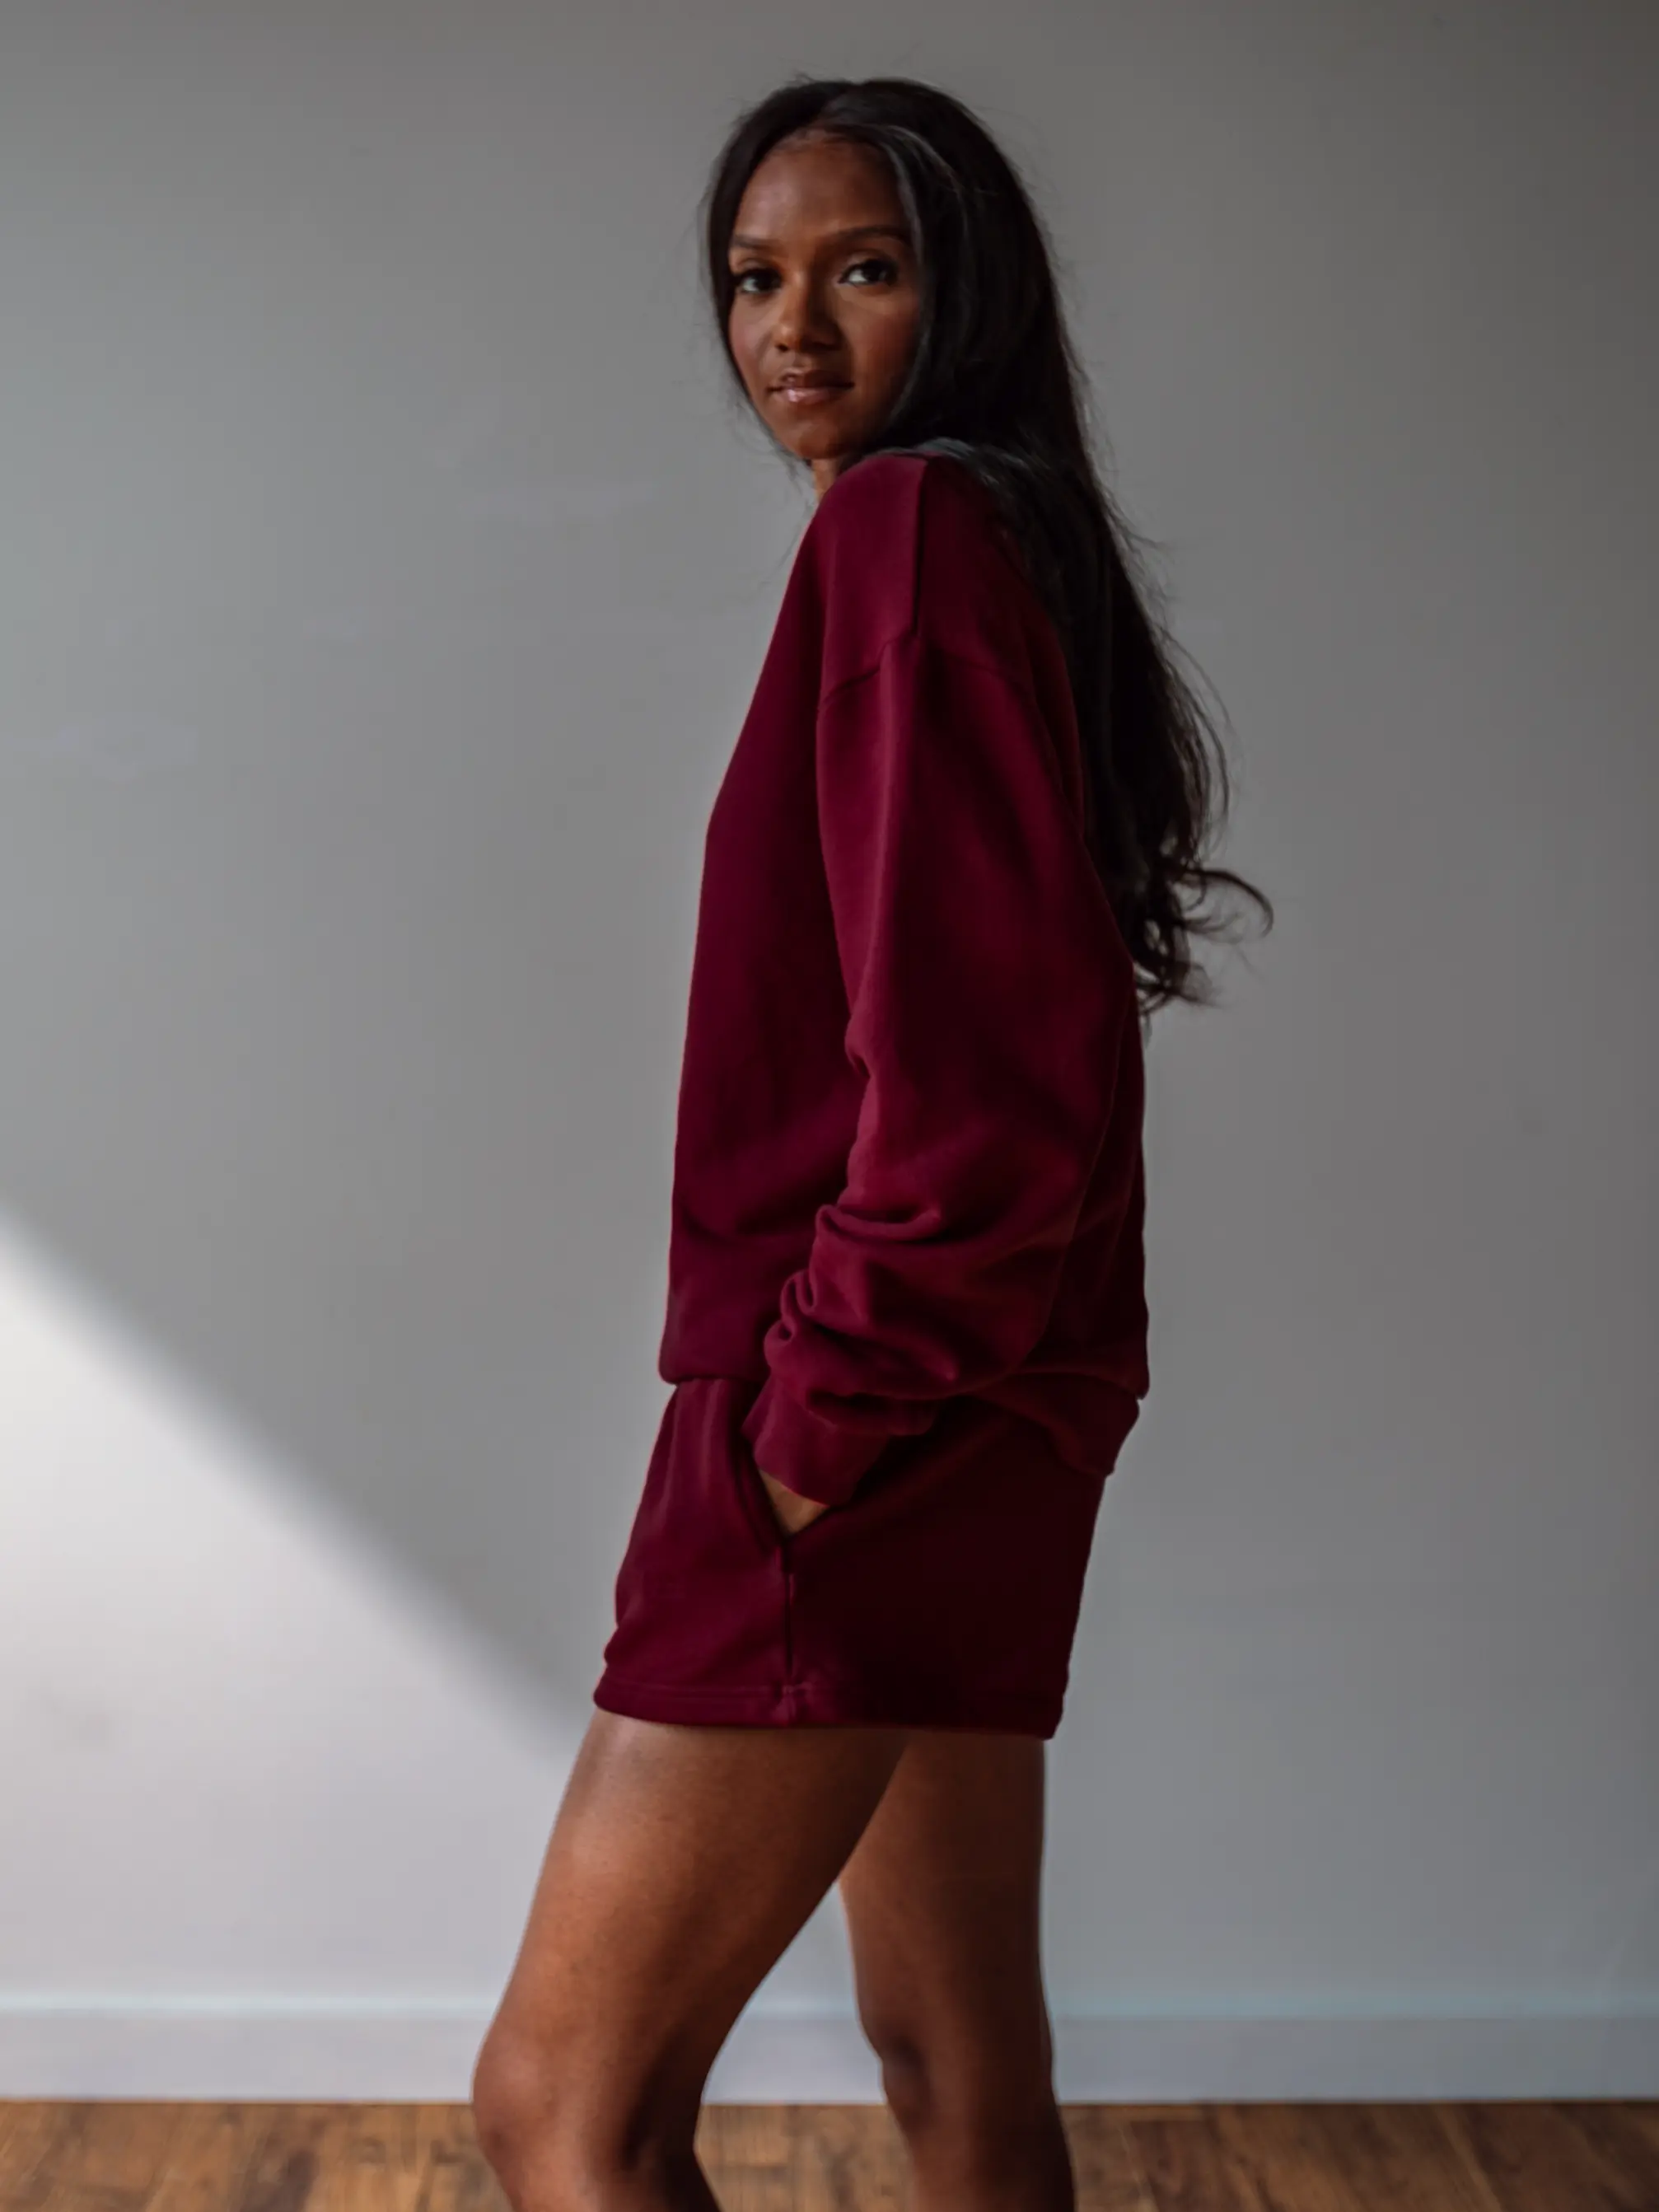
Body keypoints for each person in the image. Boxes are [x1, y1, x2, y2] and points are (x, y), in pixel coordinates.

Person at [473, 73, 1269, 2212]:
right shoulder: (1002, 544)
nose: (790, 327)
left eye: (861, 268)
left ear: (964, 291)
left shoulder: (904, 537)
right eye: (754, 276)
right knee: (953, 2063)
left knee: (565, 2105)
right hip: (985, 1413)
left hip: (866, 1419)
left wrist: (797, 1434)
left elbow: (984, 1087)